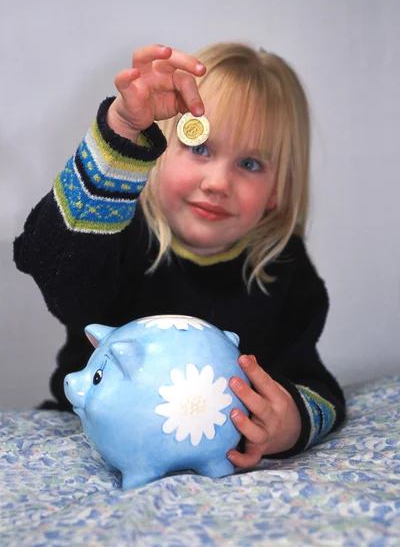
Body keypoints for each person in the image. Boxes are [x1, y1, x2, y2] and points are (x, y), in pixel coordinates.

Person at [14, 42, 345, 468]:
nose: (218, 182)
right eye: (200, 148)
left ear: (277, 191)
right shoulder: (119, 228)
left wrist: (292, 423)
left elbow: (317, 386)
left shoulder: (284, 269)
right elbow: (49, 262)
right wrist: (119, 133)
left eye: (250, 164)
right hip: (89, 440)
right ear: (162, 148)